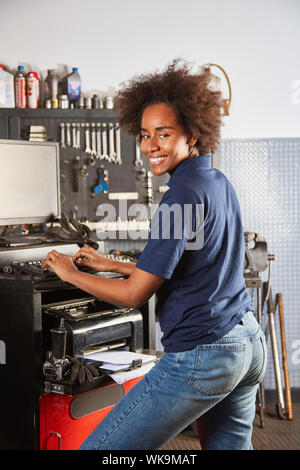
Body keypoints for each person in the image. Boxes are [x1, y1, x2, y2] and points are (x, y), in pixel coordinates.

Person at [43, 60, 267, 450]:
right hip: (246, 341)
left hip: (205, 353)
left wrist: (68, 273)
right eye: (145, 135)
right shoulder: (215, 181)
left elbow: (134, 296)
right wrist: (112, 264)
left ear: (192, 134)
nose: (149, 146)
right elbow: (187, 266)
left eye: (163, 134)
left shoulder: (180, 193)